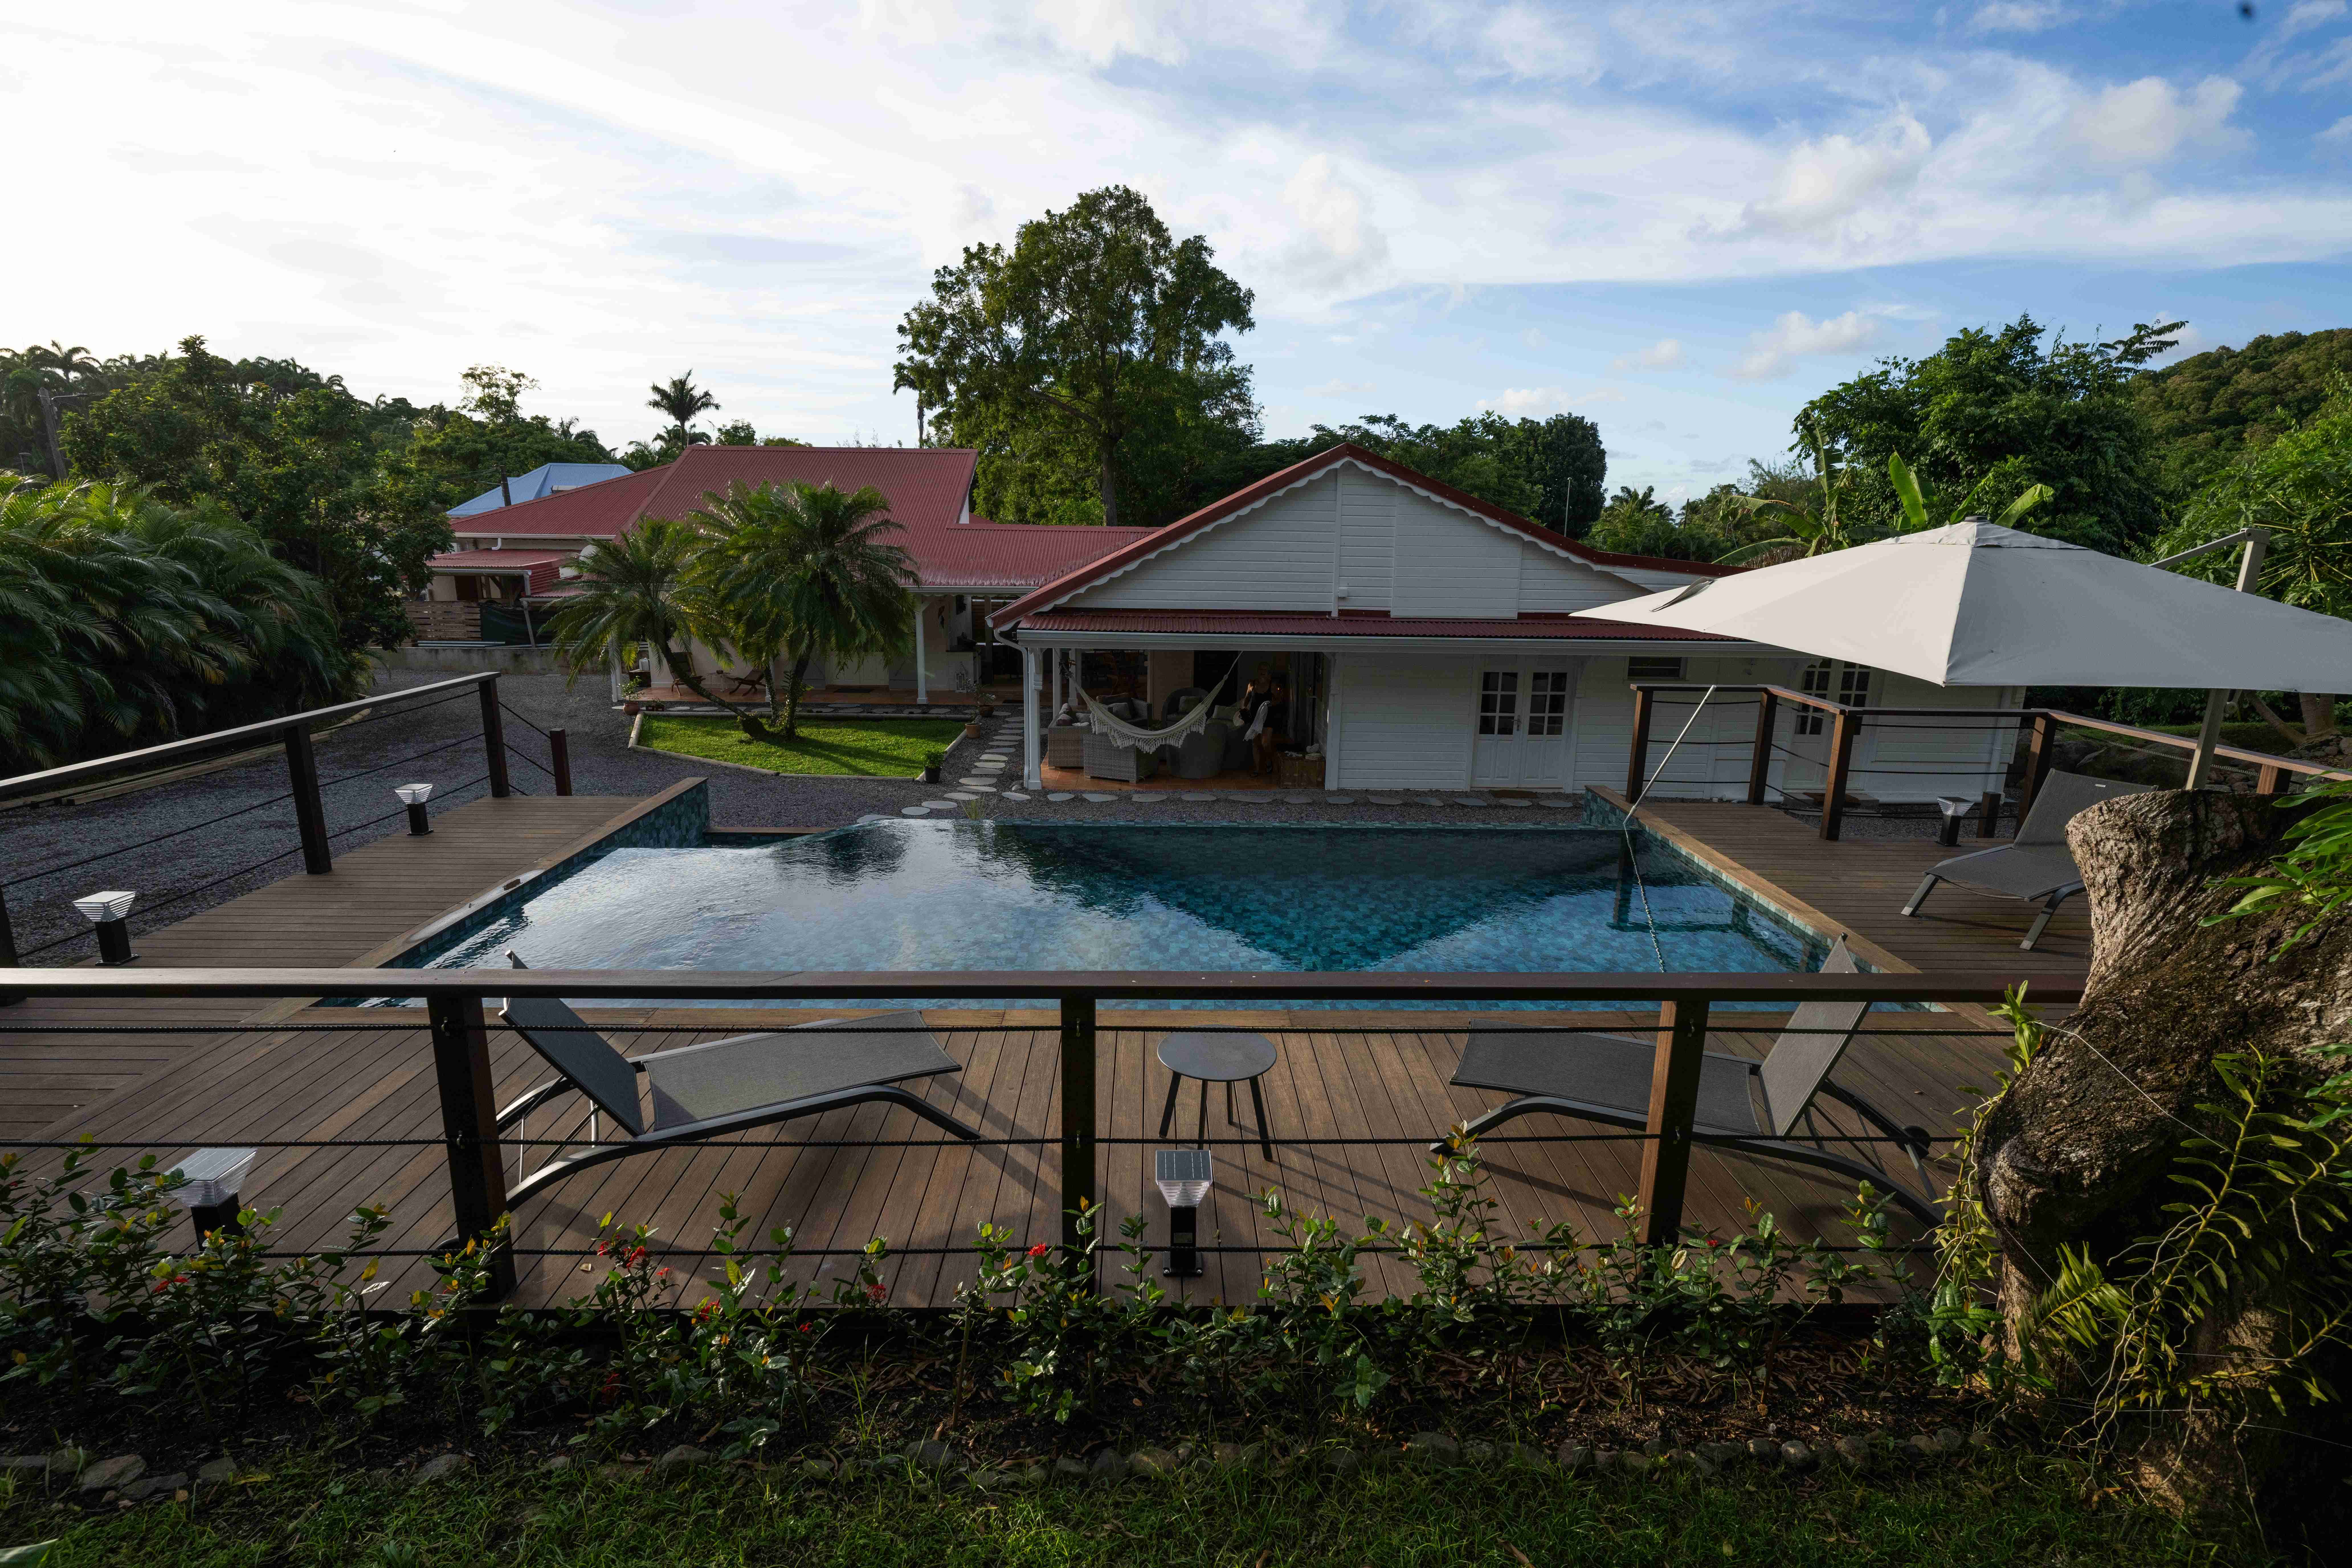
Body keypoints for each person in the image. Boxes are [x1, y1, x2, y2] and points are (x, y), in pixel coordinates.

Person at [1254, 676, 1290, 776]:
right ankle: (1257, 769)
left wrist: (1271, 704)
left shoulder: (1272, 685)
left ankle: (1269, 760)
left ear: (1269, 674)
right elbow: (1248, 697)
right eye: (1261, 670)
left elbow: (1280, 699)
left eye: (1265, 671)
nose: (1263, 673)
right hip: (1255, 717)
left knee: (1265, 743)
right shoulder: (1253, 684)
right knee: (1256, 743)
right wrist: (1244, 708)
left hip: (1269, 717)